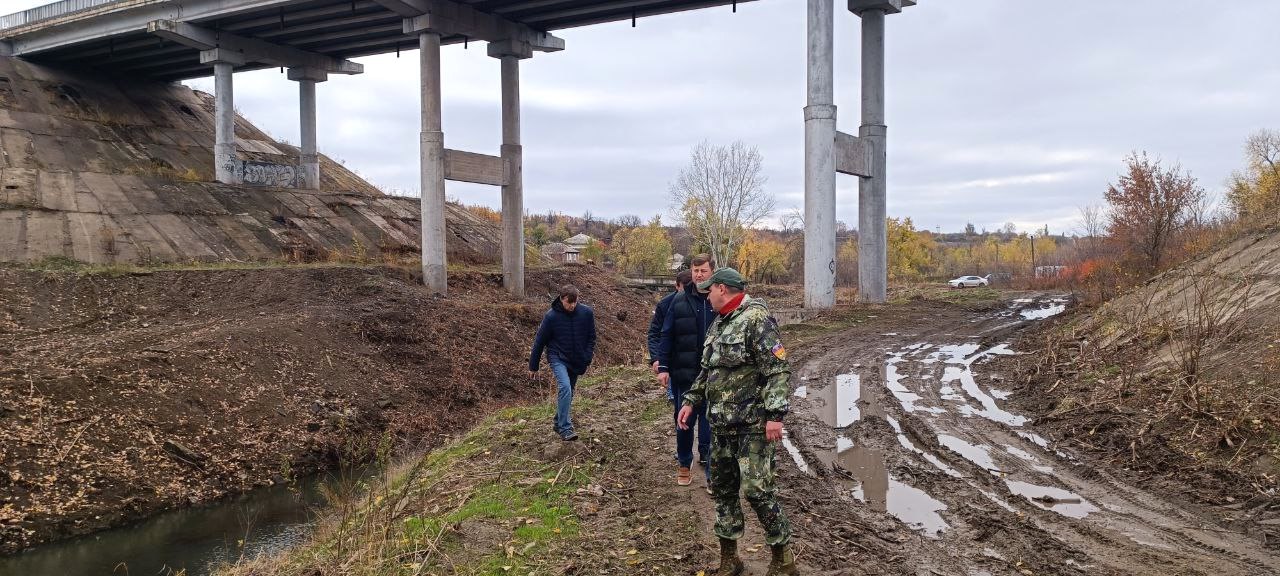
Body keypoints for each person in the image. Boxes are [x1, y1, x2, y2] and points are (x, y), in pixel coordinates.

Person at [678, 268, 797, 576]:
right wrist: (691, 401)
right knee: (723, 489)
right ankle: (730, 559)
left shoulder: (756, 319)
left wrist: (775, 416)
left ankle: (784, 561)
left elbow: (778, 369)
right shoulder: (718, 325)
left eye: (709, 291)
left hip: (753, 426)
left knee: (757, 490)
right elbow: (707, 372)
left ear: (722, 289)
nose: (706, 296)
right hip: (721, 426)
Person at [656, 254, 716, 487]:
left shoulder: (718, 299)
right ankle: (684, 462)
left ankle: (712, 471)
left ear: (712, 271)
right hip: (684, 373)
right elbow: (666, 334)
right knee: (684, 421)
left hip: (713, 374)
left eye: (703, 271)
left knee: (710, 423)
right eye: (695, 270)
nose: (699, 275)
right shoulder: (678, 300)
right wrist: (663, 366)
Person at [529, 284, 597, 441]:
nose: (572, 306)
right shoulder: (551, 317)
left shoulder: (586, 313)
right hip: (557, 356)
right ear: (561, 299)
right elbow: (540, 341)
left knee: (570, 391)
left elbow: (591, 337)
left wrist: (587, 356)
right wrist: (533, 366)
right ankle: (565, 428)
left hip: (577, 358)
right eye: (569, 302)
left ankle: (557, 421)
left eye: (575, 302)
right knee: (565, 387)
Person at [648, 269, 693, 402]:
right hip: (672, 357)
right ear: (677, 286)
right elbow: (655, 333)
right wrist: (657, 358)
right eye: (684, 290)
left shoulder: (702, 301)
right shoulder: (665, 304)